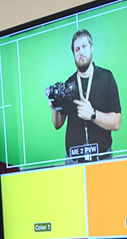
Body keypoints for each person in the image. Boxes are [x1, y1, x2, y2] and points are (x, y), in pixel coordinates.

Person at [49, 29, 121, 163]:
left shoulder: (106, 78)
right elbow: (58, 124)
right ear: (74, 54)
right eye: (77, 49)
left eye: (84, 47)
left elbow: (116, 122)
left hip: (102, 158)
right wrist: (55, 108)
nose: (81, 52)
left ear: (91, 48)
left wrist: (93, 114)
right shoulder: (68, 84)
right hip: (73, 161)